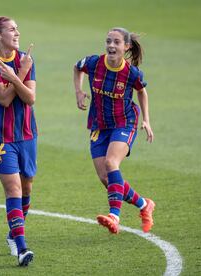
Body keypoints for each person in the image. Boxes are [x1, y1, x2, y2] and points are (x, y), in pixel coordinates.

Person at [73, 27, 155, 234]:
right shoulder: (93, 63)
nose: (111, 45)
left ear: (126, 47)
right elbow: (77, 67)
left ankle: (114, 217)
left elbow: (142, 92)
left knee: (111, 163)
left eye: (116, 42)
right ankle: (144, 205)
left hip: (124, 122)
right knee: (106, 178)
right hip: (100, 124)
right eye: (108, 41)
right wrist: (79, 91)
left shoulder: (131, 73)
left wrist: (146, 120)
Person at [0, 16, 37, 266]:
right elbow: (2, 99)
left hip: (26, 134)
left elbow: (30, 98)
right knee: (13, 189)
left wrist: (17, 75)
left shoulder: (25, 60)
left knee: (26, 189)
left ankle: (13, 232)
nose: (17, 33)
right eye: (12, 30)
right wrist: (19, 75)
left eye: (17, 29)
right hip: (1, 137)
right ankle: (22, 247)